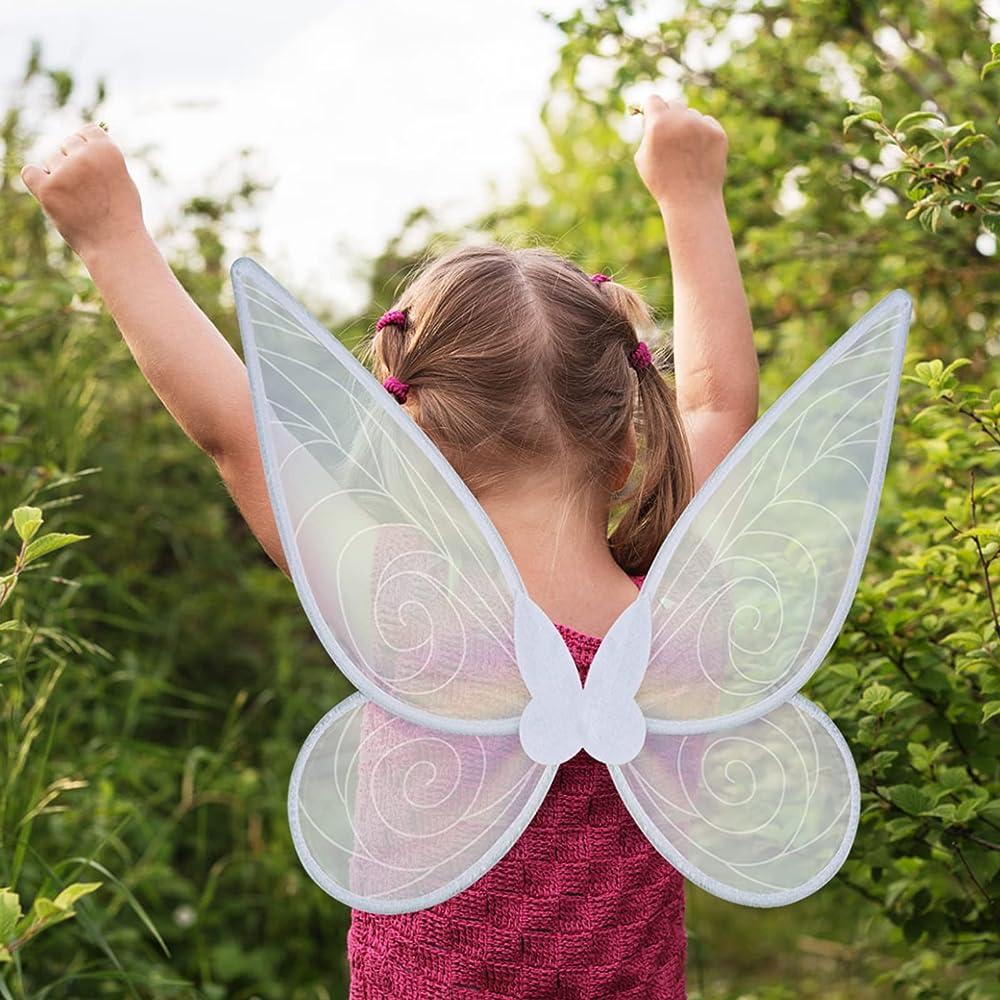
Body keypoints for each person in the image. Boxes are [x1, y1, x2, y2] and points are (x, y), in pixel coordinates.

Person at [20, 92, 758, 999]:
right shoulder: (675, 613)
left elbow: (235, 429)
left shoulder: (406, 608)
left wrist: (109, 236)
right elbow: (717, 406)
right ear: (625, 449)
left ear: (409, 444)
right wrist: (691, 194)